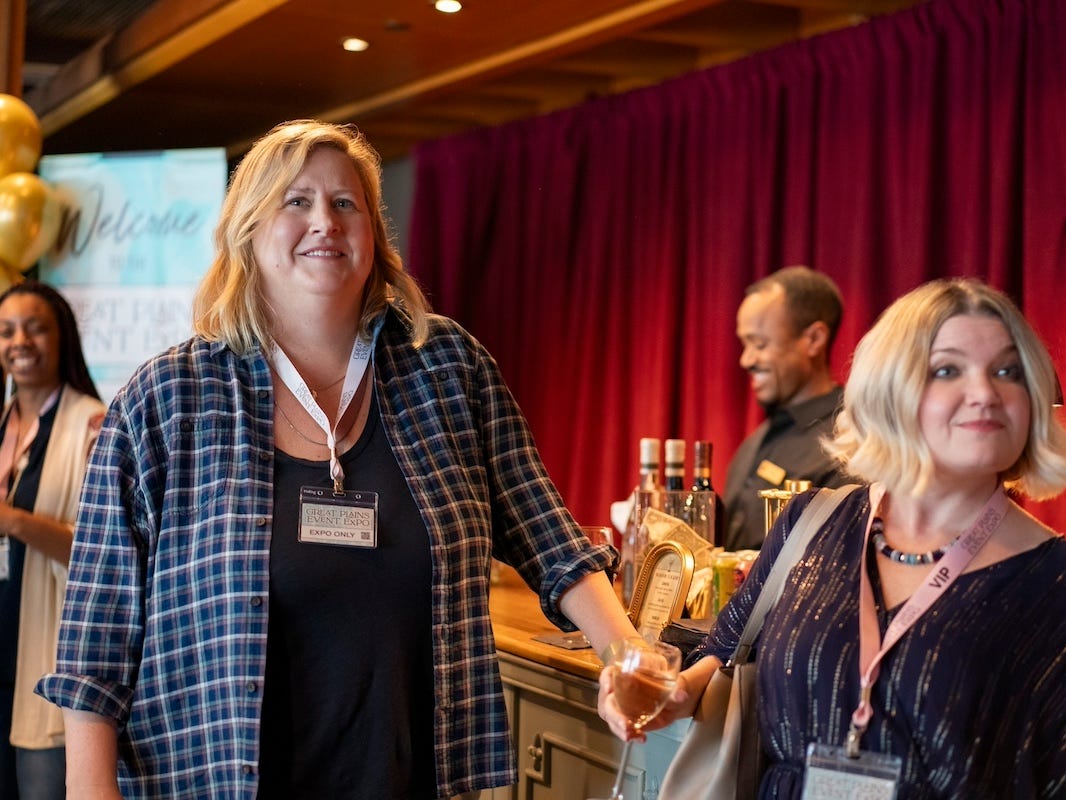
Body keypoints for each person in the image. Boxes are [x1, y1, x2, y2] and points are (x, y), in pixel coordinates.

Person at [35, 120, 638, 800]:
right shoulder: (167, 400)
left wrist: (626, 654)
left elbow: (549, 537)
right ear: (248, 232)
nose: (324, 220)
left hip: (411, 781)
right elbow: (96, 633)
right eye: (296, 201)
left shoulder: (447, 369)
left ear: (374, 237)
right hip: (208, 777)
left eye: (345, 203)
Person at [601, 278, 1066, 797]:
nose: (985, 393)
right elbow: (721, 658)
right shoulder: (809, 524)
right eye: (947, 370)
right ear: (886, 390)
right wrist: (665, 694)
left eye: (1008, 372)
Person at [0, 281, 106, 800]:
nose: (20, 341)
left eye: (35, 328)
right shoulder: (2, 425)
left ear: (61, 338)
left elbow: (102, 554)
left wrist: (14, 521)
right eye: (6, 331)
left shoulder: (94, 424)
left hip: (50, 649)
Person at [723, 266, 849, 550]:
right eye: (744, 344)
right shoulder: (758, 439)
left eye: (759, 343)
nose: (746, 359)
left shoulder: (846, 443)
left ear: (814, 340)